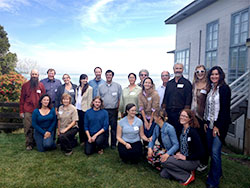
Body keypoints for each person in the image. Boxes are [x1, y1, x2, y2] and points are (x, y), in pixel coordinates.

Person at [204, 66, 231, 188]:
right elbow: (208, 107)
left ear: (220, 75)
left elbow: (225, 109)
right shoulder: (211, 89)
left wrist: (217, 126)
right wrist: (206, 122)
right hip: (209, 124)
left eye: (216, 74)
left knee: (215, 153)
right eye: (212, 74)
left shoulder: (224, 89)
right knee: (211, 151)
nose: (214, 76)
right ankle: (217, 172)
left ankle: (213, 182)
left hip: (219, 126)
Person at [161, 109, 204, 186]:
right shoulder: (182, 130)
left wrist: (185, 158)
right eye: (181, 115)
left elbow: (200, 153)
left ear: (190, 119)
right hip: (183, 157)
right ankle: (186, 172)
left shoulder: (193, 132)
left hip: (192, 161)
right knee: (164, 174)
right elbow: (183, 146)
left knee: (165, 161)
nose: (182, 117)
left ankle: (186, 177)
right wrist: (179, 152)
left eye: (185, 116)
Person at [162, 63, 192, 138]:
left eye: (180, 68)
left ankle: (179, 148)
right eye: (176, 68)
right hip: (169, 112)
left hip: (180, 113)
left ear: (182, 70)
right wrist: (164, 110)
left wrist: (185, 112)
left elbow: (188, 98)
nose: (178, 70)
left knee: (179, 132)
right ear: (174, 70)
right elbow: (166, 97)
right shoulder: (169, 83)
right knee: (169, 132)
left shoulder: (187, 83)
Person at [20, 69, 46, 151]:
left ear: (38, 75)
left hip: (38, 110)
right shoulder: (25, 86)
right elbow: (22, 99)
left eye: (36, 74)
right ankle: (29, 144)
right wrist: (21, 111)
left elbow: (44, 98)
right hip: (28, 110)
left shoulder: (41, 85)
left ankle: (36, 142)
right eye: (33, 74)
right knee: (28, 128)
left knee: (37, 127)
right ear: (30, 75)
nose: (34, 76)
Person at [97, 70, 122, 149]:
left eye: (110, 75)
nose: (108, 76)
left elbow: (120, 98)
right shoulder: (101, 86)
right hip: (104, 110)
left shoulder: (117, 86)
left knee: (114, 128)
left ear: (112, 76)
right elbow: (98, 98)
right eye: (107, 75)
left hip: (114, 110)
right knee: (105, 128)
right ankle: (105, 143)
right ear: (105, 76)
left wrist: (118, 109)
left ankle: (113, 144)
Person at [191, 65, 209, 172]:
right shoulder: (194, 84)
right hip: (193, 116)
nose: (200, 73)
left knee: (203, 140)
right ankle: (195, 160)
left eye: (202, 71)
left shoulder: (208, 86)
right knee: (195, 139)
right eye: (198, 71)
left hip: (203, 117)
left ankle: (204, 162)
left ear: (205, 72)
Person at [138, 77, 160, 154]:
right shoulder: (140, 94)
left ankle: (151, 150)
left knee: (151, 134)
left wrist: (150, 122)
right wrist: (145, 121)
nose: (147, 84)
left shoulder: (155, 94)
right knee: (144, 133)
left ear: (151, 84)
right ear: (143, 84)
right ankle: (144, 150)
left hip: (153, 117)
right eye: (145, 82)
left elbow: (155, 108)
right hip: (144, 117)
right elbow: (141, 108)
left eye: (149, 83)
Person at [75, 74, 93, 146]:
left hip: (85, 109)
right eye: (83, 79)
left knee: (85, 125)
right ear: (80, 80)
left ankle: (86, 139)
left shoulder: (89, 88)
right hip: (78, 108)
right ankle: (81, 140)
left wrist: (88, 111)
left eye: (86, 79)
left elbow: (89, 100)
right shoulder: (77, 88)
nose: (85, 80)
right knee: (80, 125)